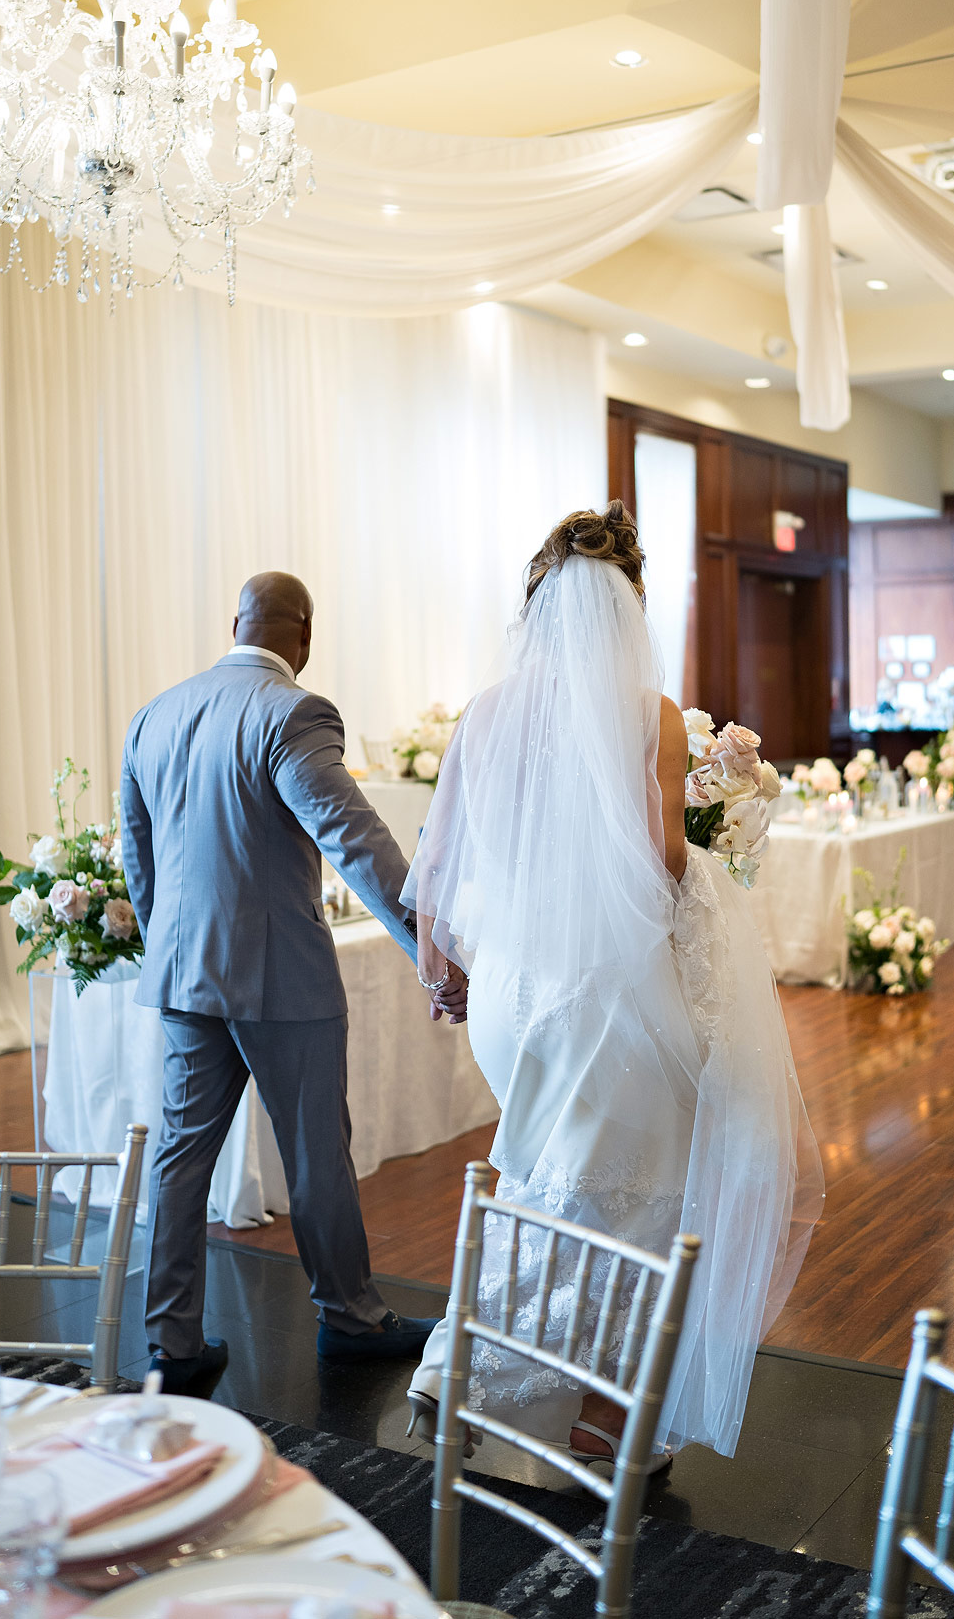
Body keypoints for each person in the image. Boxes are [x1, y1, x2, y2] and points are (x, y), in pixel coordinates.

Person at [402, 505, 823, 1463]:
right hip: (604, 995)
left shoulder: (486, 712)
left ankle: (503, 1374)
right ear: (629, 615)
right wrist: (709, 863)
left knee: (551, 1182)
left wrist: (443, 966)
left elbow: (436, 867)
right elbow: (658, 862)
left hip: (510, 999)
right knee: (653, 1187)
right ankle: (534, 1391)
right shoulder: (650, 717)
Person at [121, 571, 467, 1394]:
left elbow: (139, 857)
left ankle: (172, 1340)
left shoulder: (154, 714)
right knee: (315, 1154)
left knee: (179, 1156)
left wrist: (168, 948)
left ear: (232, 622)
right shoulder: (295, 712)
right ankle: (349, 1316)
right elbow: (352, 836)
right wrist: (430, 943)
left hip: (182, 974)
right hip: (281, 982)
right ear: (303, 638)